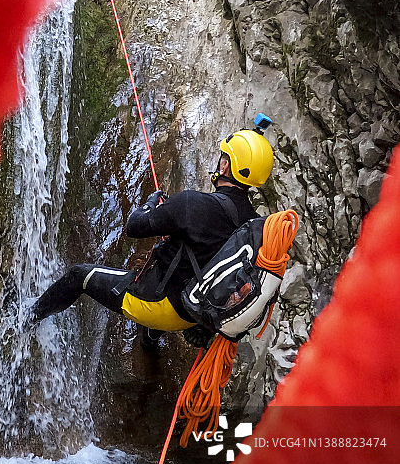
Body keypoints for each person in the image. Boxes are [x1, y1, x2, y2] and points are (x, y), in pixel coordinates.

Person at [31, 117, 274, 349]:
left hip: (160, 305)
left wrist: (150, 203)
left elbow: (134, 226)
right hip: (195, 313)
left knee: (79, 275)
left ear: (225, 165)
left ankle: (28, 319)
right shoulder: (252, 226)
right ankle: (149, 342)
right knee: (178, 269)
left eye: (223, 157)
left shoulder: (193, 203)